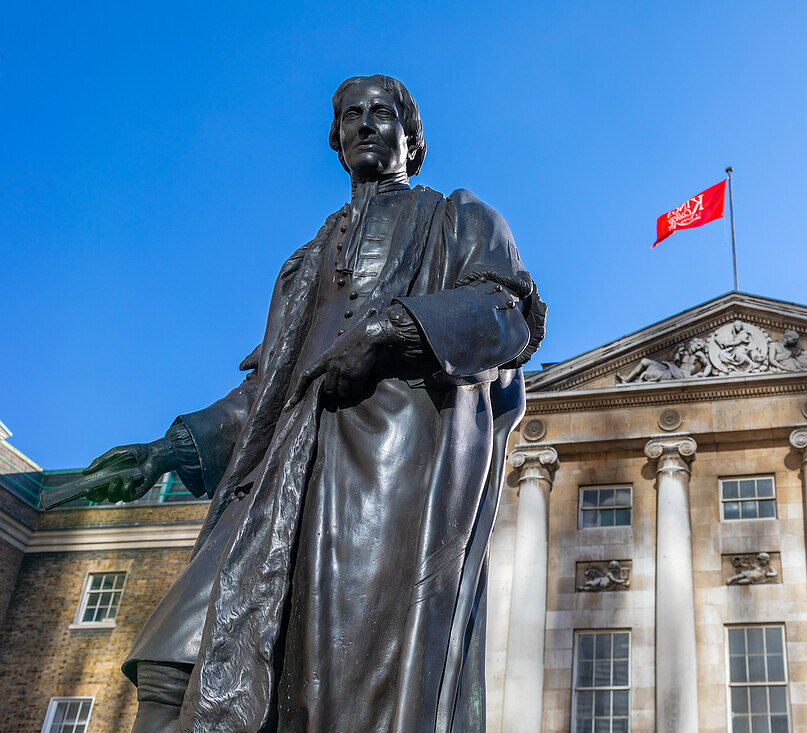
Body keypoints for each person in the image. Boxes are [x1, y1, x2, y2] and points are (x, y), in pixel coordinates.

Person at [74, 74, 546, 732]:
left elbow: (504, 311)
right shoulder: (305, 264)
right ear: (336, 137)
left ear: (412, 137)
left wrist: (395, 328)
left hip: (387, 468)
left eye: (383, 113)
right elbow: (262, 392)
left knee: (346, 683)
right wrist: (168, 450)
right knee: (171, 662)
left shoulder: (458, 217)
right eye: (351, 114)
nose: (365, 123)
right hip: (281, 473)